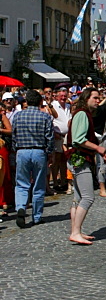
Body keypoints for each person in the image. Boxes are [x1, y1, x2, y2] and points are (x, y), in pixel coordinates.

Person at [68, 87, 106, 245]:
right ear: (86, 98)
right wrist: (98, 148)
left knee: (77, 198)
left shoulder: (82, 113)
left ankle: (76, 230)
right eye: (95, 98)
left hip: (77, 157)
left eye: (99, 98)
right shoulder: (82, 114)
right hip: (80, 158)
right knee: (88, 197)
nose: (98, 101)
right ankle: (75, 231)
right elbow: (78, 138)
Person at [12, 88, 54, 229]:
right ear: (40, 102)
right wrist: (49, 153)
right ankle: (36, 216)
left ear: (26, 101)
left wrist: (15, 149)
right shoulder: (45, 117)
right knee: (38, 185)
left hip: (22, 151)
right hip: (38, 151)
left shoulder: (18, 116)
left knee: (21, 183)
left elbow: (14, 135)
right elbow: (49, 137)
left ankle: (21, 207)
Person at [50, 86, 71, 193]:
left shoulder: (68, 105)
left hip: (66, 136)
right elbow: (50, 120)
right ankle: (55, 182)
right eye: (61, 96)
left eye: (65, 96)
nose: (63, 98)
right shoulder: (53, 105)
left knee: (64, 160)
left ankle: (63, 181)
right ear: (57, 96)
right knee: (56, 160)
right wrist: (54, 132)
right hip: (58, 135)